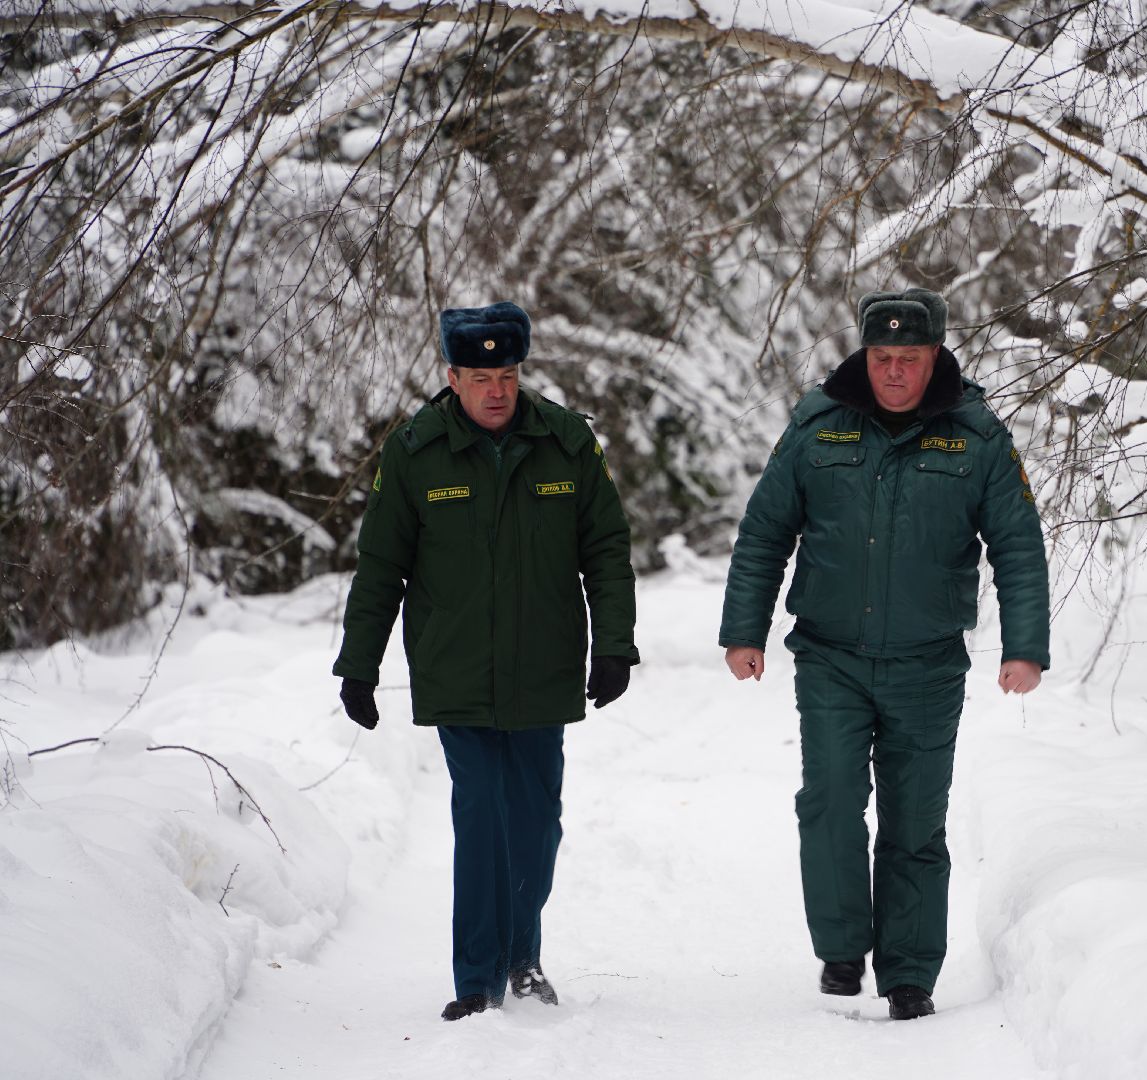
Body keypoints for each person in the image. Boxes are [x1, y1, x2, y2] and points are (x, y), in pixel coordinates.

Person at [718, 287, 1049, 1020]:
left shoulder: (976, 436)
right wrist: (745, 631)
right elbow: (765, 532)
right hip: (830, 656)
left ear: (935, 357)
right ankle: (842, 949)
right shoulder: (818, 425)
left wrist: (1025, 646)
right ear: (864, 356)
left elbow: (1019, 547)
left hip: (928, 665)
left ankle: (908, 976)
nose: (894, 371)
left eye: (909, 357)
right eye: (881, 357)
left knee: (915, 824)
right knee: (830, 801)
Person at [332, 300, 638, 1021]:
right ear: (453, 377)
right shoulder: (415, 451)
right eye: (480, 378)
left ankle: (521, 955)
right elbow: (381, 566)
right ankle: (477, 980)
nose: (496, 391)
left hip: (543, 665)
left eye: (507, 376)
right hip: (456, 666)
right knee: (480, 817)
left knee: (535, 822)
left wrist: (614, 644)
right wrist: (359, 665)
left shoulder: (567, 441)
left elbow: (606, 549)